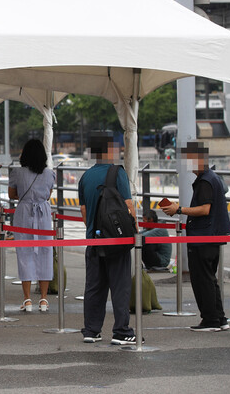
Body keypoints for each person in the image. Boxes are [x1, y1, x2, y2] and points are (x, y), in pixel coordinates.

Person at [162, 141, 230, 332]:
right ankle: (220, 318)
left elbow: (204, 209)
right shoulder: (212, 177)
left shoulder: (205, 181)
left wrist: (179, 209)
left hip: (203, 236)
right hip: (212, 236)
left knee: (202, 279)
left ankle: (210, 320)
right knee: (210, 278)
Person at [78, 133, 138, 345]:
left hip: (93, 240)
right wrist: (135, 230)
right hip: (116, 241)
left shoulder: (85, 177)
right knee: (120, 285)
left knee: (94, 286)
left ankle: (91, 331)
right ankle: (122, 331)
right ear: (109, 150)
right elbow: (128, 206)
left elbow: (84, 211)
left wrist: (94, 229)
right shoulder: (117, 173)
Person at [8, 139, 55, 312]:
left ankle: (27, 300)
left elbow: (13, 194)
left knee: (24, 254)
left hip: (23, 214)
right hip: (43, 214)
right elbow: (48, 195)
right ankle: (43, 299)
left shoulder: (17, 173)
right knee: (45, 253)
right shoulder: (49, 174)